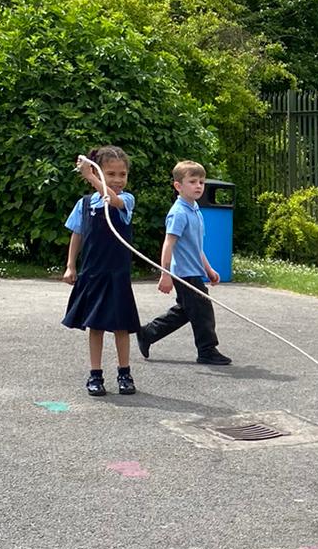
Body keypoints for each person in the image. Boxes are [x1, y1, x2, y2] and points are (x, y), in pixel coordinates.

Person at [62, 146, 140, 396]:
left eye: (122, 174)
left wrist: (92, 178)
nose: (118, 180)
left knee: (121, 326)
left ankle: (124, 372)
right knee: (94, 326)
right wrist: (70, 265)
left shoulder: (126, 200)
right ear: (99, 171)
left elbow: (115, 201)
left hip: (117, 274)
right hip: (93, 273)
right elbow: (77, 234)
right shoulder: (85, 204)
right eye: (111, 174)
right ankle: (95, 374)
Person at [136, 161, 231, 365]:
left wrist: (209, 269)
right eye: (192, 181)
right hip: (183, 273)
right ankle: (207, 350)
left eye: (201, 182)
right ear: (178, 186)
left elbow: (196, 246)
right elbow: (168, 244)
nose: (198, 186)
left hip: (193, 271)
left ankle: (148, 333)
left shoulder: (195, 209)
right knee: (203, 310)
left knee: (186, 311)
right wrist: (165, 274)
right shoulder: (179, 212)